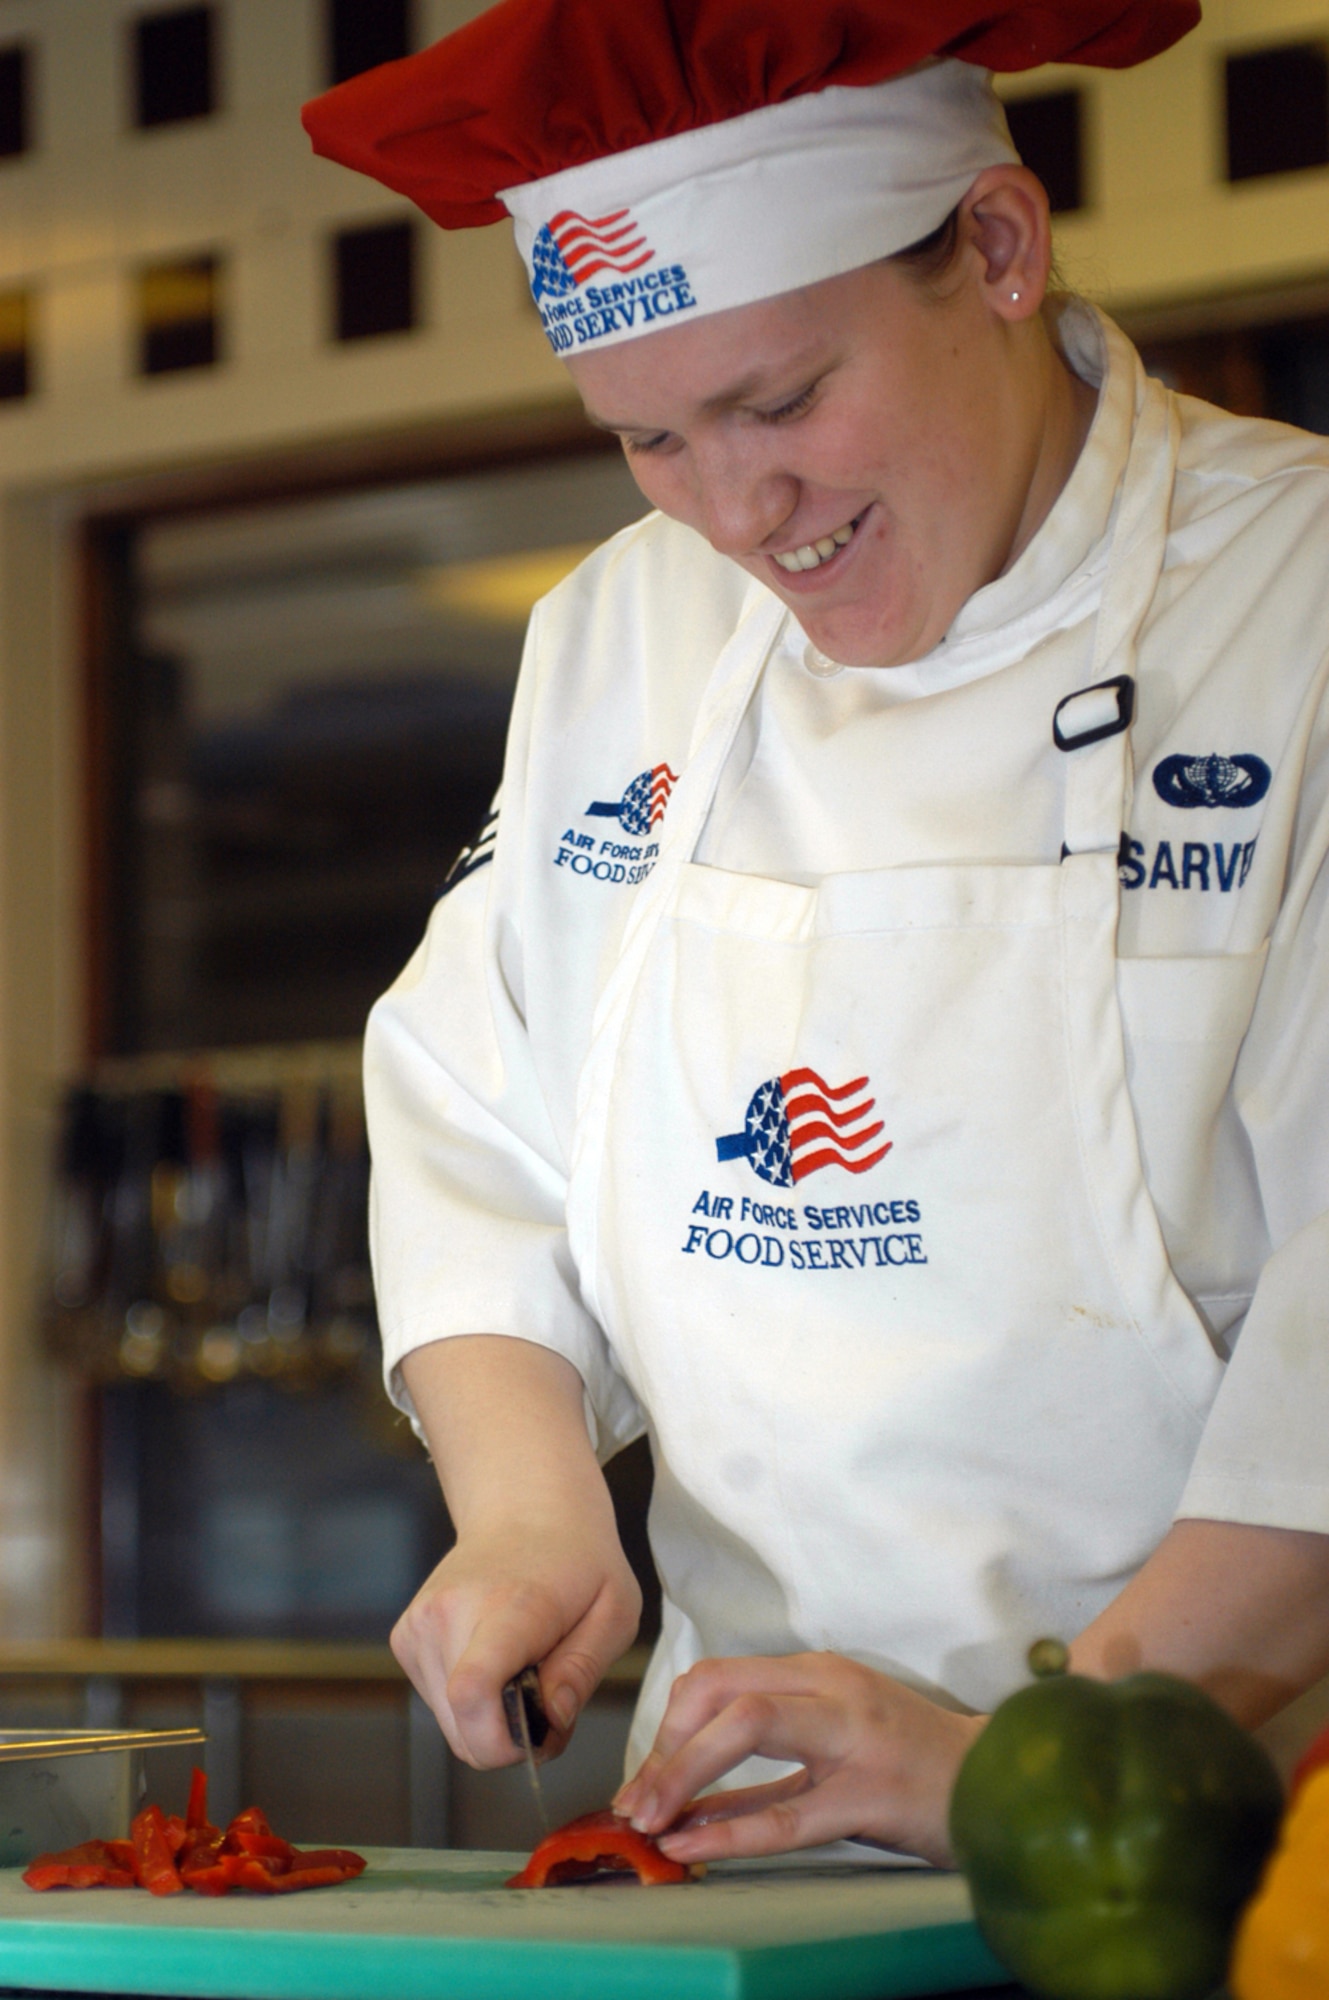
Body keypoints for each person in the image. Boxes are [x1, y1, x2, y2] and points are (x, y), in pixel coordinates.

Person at [304, 0, 1329, 1867]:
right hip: (750, 1853)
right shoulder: (623, 634)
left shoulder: (1296, 603)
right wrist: (531, 1511)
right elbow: (481, 1118)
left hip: (1234, 1851)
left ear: (1000, 253)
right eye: (648, 440)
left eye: (780, 403)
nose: (739, 510)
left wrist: (1044, 1769)